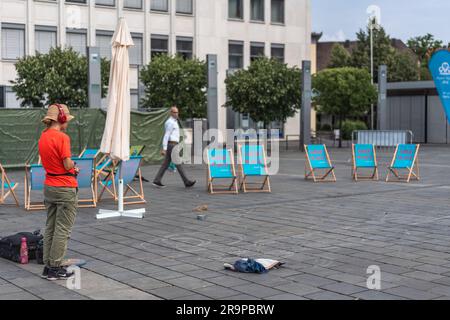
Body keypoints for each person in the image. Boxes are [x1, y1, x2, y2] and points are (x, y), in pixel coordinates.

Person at [38, 104, 79, 281]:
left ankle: (48, 265)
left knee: (51, 226)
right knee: (63, 229)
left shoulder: (43, 136)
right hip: (64, 186)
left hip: (50, 185)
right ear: (61, 119)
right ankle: (55, 267)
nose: (67, 123)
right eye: (66, 120)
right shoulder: (62, 137)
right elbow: (67, 163)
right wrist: (74, 167)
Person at [153, 106, 196, 188]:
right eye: (175, 112)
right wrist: (164, 148)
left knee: (165, 164)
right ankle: (186, 181)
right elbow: (166, 135)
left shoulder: (174, 122)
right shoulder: (170, 122)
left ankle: (157, 180)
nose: (176, 114)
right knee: (178, 163)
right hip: (172, 145)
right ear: (171, 113)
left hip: (173, 144)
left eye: (177, 112)